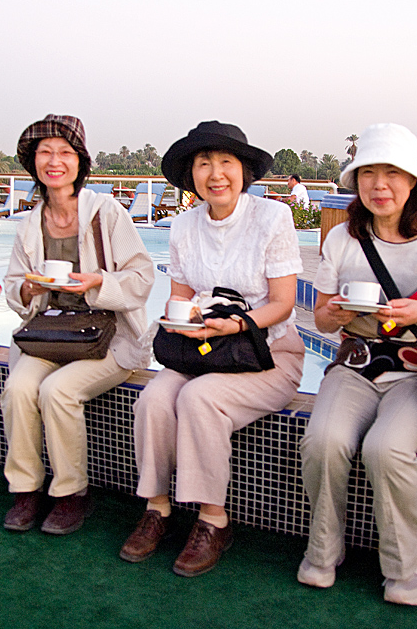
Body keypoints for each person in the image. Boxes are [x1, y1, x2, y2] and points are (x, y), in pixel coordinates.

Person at [298, 123, 417, 606]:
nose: (379, 185)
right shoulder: (342, 238)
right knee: (323, 440)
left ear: (413, 181)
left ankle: (404, 569)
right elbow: (321, 317)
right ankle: (324, 550)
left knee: (386, 448)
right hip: (354, 367)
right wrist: (336, 313)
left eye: (392, 173)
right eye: (368, 173)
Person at [119, 121, 305, 576]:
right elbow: (180, 296)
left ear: (244, 171)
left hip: (266, 354)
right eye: (204, 164)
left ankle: (213, 520)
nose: (216, 173)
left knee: (198, 398)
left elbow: (283, 304)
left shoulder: (272, 218)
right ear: (192, 175)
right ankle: (157, 508)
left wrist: (234, 325)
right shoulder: (183, 225)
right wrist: (182, 321)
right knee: (154, 400)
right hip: (203, 351)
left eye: (226, 162)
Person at [0, 115, 154, 534]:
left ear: (80, 161)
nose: (55, 161)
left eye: (65, 152)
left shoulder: (106, 213)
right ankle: (25, 488)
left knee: (57, 391)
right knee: (17, 388)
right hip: (52, 335)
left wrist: (98, 282)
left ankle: (71, 493)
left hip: (108, 336)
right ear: (33, 162)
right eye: (45, 153)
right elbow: (13, 288)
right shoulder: (30, 223)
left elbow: (142, 279)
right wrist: (30, 289)